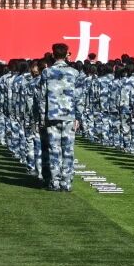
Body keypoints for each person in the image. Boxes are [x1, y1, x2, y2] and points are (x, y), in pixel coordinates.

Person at [40, 43, 81, 192]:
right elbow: (78, 97)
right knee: (68, 150)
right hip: (69, 115)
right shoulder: (74, 73)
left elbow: (42, 97)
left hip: (52, 115)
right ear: (67, 54)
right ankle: (66, 182)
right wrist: (78, 117)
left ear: (53, 54)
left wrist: (41, 118)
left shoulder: (47, 72)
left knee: (54, 149)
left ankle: (55, 182)